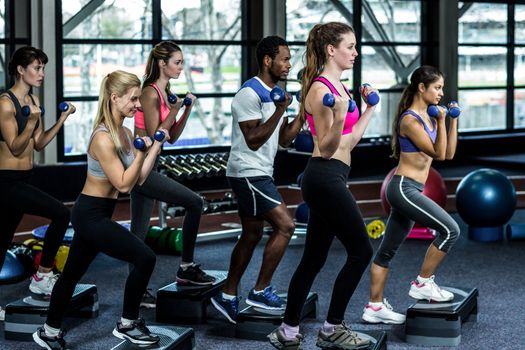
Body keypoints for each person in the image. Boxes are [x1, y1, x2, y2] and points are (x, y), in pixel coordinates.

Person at [33, 70, 166, 349]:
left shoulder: (126, 133)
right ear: (114, 98)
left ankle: (48, 331)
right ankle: (128, 323)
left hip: (99, 213)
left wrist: (155, 146)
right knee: (145, 258)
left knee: (70, 275)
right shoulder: (103, 138)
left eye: (139, 99)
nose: (138, 105)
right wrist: (142, 153)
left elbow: (139, 178)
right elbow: (123, 185)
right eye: (132, 100)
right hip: (89, 214)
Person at [268, 22, 377, 350]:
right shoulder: (318, 89)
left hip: (334, 175)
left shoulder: (340, 87)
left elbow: (348, 142)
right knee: (361, 251)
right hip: (323, 176)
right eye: (350, 47)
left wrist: (369, 110)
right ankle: (332, 329)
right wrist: (342, 115)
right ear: (332, 50)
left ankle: (287, 332)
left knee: (314, 258)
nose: (355, 53)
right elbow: (327, 147)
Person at [211, 35, 305, 324]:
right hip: (247, 171)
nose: (289, 65)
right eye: (285, 59)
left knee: (251, 234)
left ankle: (227, 296)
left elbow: (284, 141)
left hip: (260, 171)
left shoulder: (276, 93)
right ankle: (260, 290)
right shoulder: (248, 94)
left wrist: (300, 114)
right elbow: (252, 139)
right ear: (268, 60)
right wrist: (280, 110)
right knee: (286, 226)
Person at [361, 65, 460, 325]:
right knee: (450, 230)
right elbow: (438, 154)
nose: (441, 93)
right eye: (437, 87)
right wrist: (440, 120)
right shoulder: (409, 120)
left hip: (411, 188)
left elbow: (448, 154)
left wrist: (452, 120)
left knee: (386, 252)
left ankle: (374, 306)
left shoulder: (428, 117)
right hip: (403, 188)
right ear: (421, 87)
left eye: (441, 88)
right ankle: (422, 282)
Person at [131, 41, 214, 305]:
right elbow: (157, 134)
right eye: (177, 62)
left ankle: (136, 291)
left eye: (181, 62)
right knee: (194, 202)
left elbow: (172, 137)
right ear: (162, 64)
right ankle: (186, 267)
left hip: (150, 163)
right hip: (141, 166)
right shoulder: (149, 92)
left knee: (139, 232)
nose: (181, 67)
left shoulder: (165, 92)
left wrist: (186, 110)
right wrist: (176, 108)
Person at [0, 46, 73, 302]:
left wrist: (61, 119)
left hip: (24, 178)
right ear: (21, 70)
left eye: (43, 68)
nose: (42, 73)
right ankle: (43, 276)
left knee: (4, 238)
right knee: (62, 213)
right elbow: (16, 147)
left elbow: (39, 143)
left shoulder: (33, 101)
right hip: (6, 181)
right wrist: (30, 121)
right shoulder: (5, 103)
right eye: (37, 68)